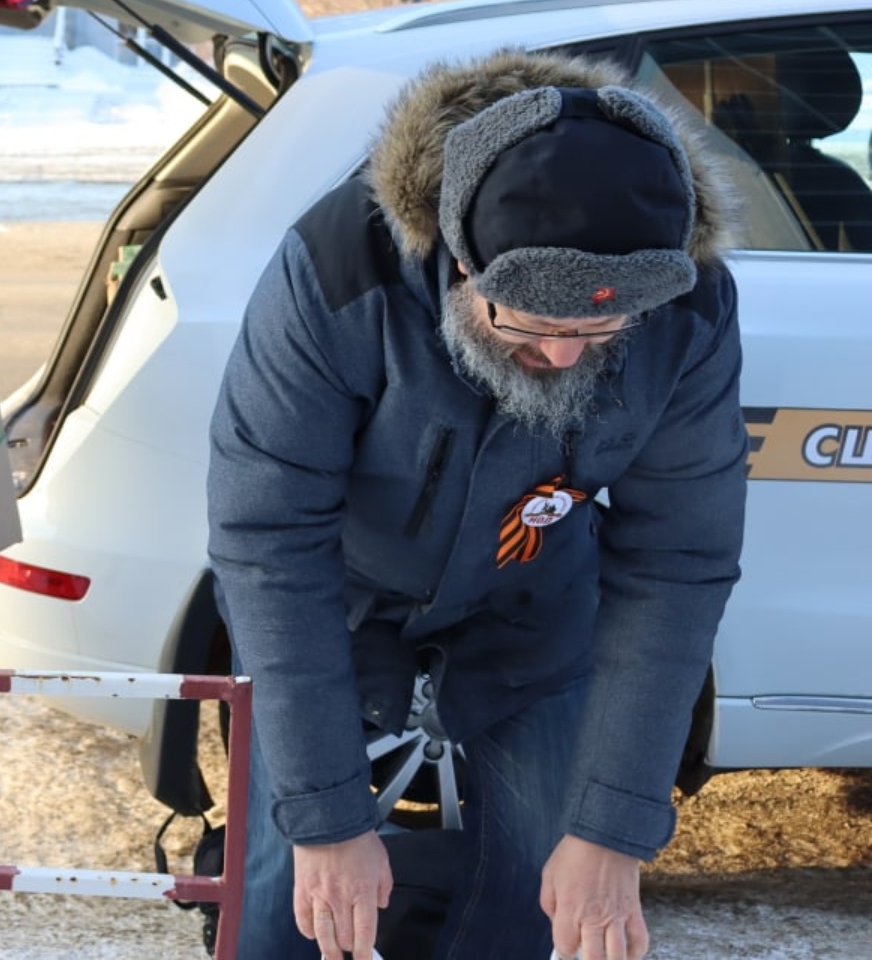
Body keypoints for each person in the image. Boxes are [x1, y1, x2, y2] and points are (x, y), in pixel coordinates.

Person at [206, 49, 747, 960]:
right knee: (289, 901)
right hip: (334, 605)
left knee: (541, 901)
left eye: (599, 332)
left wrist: (613, 829)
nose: (566, 358)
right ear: (462, 261)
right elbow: (267, 539)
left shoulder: (688, 312)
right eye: (530, 327)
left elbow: (677, 560)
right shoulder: (337, 272)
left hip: (536, 610)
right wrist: (330, 817)